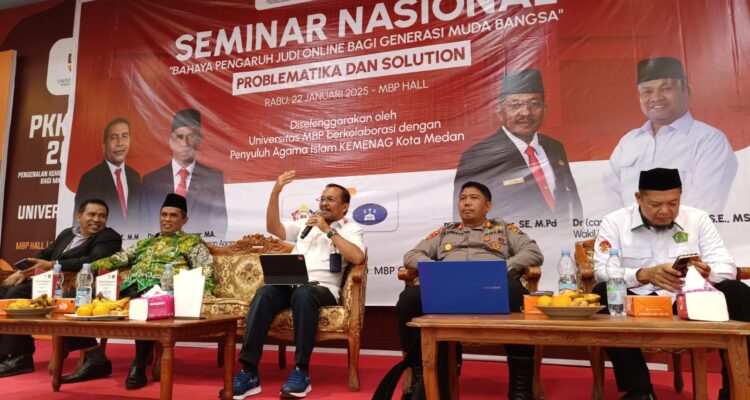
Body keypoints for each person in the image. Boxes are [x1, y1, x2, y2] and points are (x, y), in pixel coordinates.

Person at [593, 168, 750, 400]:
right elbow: (601, 272)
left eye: (673, 203)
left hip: (689, 301)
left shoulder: (697, 219)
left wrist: (708, 272)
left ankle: (736, 389)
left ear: (680, 196)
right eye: (656, 204)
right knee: (603, 292)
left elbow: (727, 266)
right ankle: (640, 390)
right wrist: (643, 274)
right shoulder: (615, 222)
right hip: (639, 303)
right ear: (639, 198)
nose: (666, 211)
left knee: (738, 291)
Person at [398, 181, 544, 400]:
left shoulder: (504, 229)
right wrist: (436, 270)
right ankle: (421, 377)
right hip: (449, 288)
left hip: (490, 287)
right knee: (409, 298)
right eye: (462, 198)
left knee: (516, 292)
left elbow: (533, 252)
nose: (466, 203)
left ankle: (521, 385)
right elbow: (411, 255)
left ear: (487, 206)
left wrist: (505, 268)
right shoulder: (445, 232)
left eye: (474, 198)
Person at [230, 170, 365, 399]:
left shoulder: (351, 230)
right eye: (322, 199)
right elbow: (274, 228)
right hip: (291, 284)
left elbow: (357, 257)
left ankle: (301, 371)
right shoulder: (305, 225)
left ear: (344, 207)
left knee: (304, 293)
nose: (324, 203)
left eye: (330, 199)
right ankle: (249, 372)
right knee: (264, 293)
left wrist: (328, 231)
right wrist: (276, 191)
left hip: (322, 289)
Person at [60, 193, 216, 389]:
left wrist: (206, 292)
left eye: (173, 215)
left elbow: (206, 269)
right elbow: (117, 259)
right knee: (71, 299)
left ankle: (139, 365)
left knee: (143, 303)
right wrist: (88, 268)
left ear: (184, 220)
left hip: (160, 292)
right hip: (128, 289)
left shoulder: (192, 243)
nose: (167, 219)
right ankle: (95, 358)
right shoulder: (145, 243)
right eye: (164, 214)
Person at [0, 199, 121, 377]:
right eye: (91, 214)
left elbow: (94, 260)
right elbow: (45, 254)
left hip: (74, 284)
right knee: (4, 291)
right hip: (48, 281)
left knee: (16, 293)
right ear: (79, 216)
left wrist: (52, 265)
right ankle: (7, 352)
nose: (97, 219)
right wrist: (22, 270)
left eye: (102, 216)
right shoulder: (67, 233)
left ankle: (20, 357)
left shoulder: (109, 237)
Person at [603, 57, 737, 214]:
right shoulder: (628, 142)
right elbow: (607, 199)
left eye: (666, 88)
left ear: (686, 90)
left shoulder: (709, 141)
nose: (655, 98)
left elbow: (704, 209)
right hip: (627, 230)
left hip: (686, 231)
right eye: (647, 91)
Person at [453, 69, 582, 224]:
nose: (526, 112)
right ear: (499, 111)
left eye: (534, 104)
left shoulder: (554, 147)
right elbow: (466, 218)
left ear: (544, 109)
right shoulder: (478, 157)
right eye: (515, 105)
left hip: (561, 237)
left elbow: (572, 201)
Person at [141, 109, 227, 237]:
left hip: (199, 247)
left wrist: (196, 248)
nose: (184, 143)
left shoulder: (213, 178)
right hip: (158, 247)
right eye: (179, 137)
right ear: (171, 141)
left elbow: (219, 226)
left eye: (190, 137)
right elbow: (143, 224)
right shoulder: (151, 180)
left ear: (199, 141)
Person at [74, 117, 141, 232]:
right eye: (114, 137)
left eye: (124, 136)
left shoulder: (135, 176)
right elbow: (79, 225)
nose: (120, 143)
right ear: (104, 146)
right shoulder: (89, 179)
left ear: (130, 141)